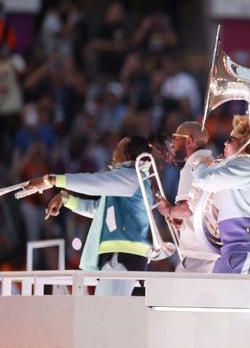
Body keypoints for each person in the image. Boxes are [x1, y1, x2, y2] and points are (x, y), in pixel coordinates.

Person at [24, 136, 152, 295]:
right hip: (115, 257)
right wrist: (67, 200)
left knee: (109, 316)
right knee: (103, 314)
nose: (113, 152)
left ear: (127, 156)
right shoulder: (126, 181)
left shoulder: (133, 178)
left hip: (126, 257)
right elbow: (99, 210)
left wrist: (51, 180)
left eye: (118, 148)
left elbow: (94, 182)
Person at [192, 115, 250, 274]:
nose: (225, 143)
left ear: (246, 143)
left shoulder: (247, 165)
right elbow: (216, 209)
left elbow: (205, 180)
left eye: (231, 139)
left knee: (229, 297)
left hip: (243, 247)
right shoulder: (242, 168)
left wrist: (200, 164)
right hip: (235, 248)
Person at [157, 121, 219, 273]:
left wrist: (168, 211)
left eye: (176, 137)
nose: (172, 143)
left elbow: (186, 210)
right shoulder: (214, 164)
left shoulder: (192, 165)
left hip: (196, 252)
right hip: (210, 251)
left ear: (189, 141)